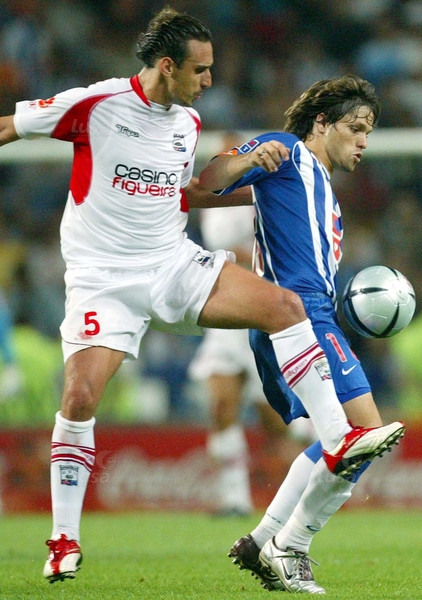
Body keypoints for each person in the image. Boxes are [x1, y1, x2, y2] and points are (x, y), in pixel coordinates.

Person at [0, 7, 402, 584]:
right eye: (201, 69)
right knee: (82, 395)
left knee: (282, 309)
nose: (211, 81)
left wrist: (253, 186)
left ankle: (299, 496)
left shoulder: (187, 123)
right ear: (167, 65)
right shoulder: (98, 104)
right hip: (103, 277)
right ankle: (65, 538)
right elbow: (9, 127)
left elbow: (186, 194)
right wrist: (247, 163)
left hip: (171, 262)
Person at [198, 74, 405, 593]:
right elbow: (212, 177)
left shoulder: (322, 188)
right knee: (362, 436)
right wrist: (247, 158)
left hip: (310, 315)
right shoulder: (287, 151)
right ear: (321, 123)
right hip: (295, 315)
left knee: (356, 436)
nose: (363, 141)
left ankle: (262, 539)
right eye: (356, 128)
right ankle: (289, 545)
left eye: (369, 133)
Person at [189, 201, 290, 516]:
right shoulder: (209, 195)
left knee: (277, 422)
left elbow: (285, 246)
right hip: (225, 310)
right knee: (221, 405)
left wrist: (247, 257)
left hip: (262, 311)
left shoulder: (264, 190)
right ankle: (235, 499)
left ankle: (325, 450)